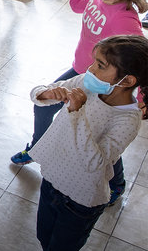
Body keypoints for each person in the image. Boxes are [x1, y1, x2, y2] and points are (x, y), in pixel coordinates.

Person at [11, 0, 148, 206]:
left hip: (104, 83)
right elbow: (77, 5)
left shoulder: (126, 21)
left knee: (100, 140)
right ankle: (37, 149)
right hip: (81, 71)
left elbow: (140, 61)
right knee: (43, 106)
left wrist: (141, 98)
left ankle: (116, 183)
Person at [29, 35, 148, 250]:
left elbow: (95, 162)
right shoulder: (86, 82)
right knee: (44, 237)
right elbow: (41, 91)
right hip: (52, 179)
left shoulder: (128, 120)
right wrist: (46, 93)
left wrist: (77, 112)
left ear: (128, 80)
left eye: (100, 65)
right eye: (94, 61)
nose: (91, 69)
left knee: (62, 247)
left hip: (79, 201)